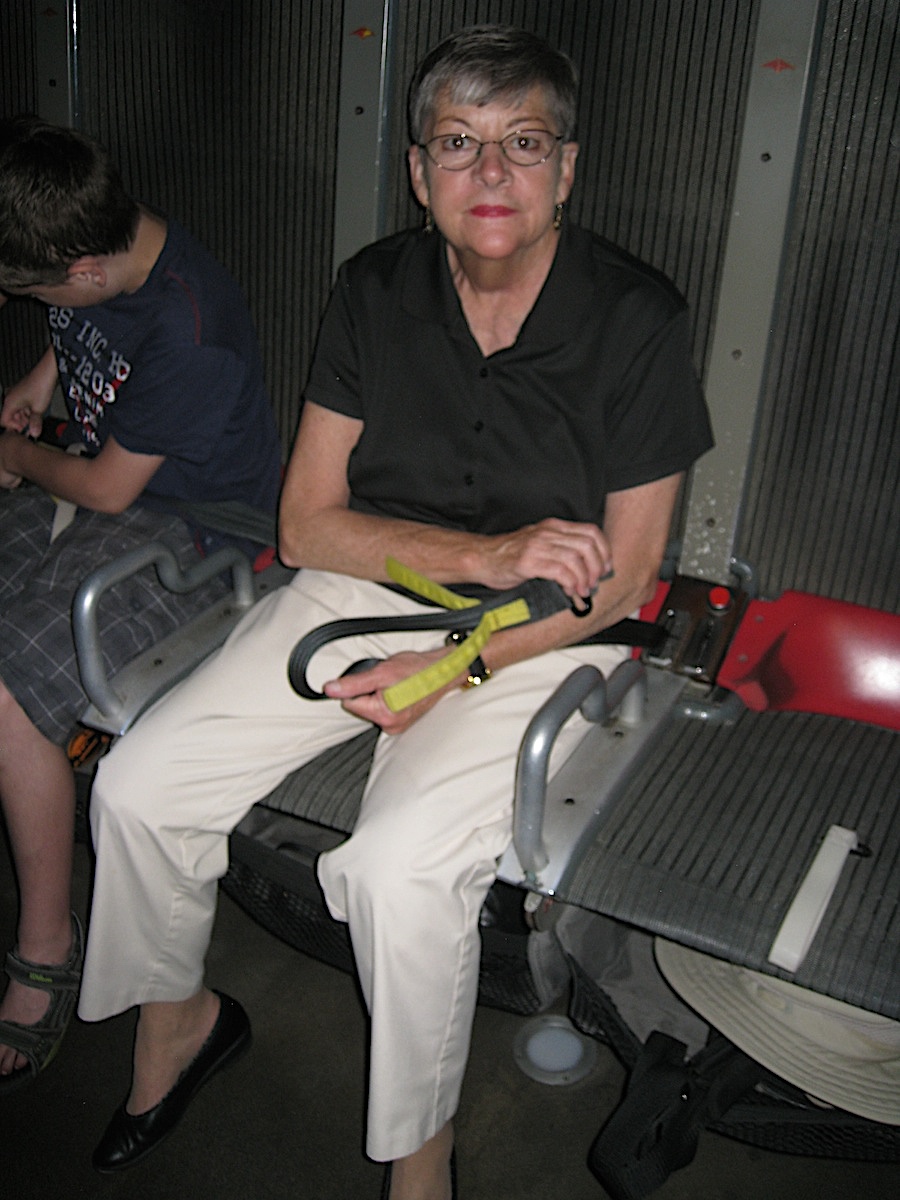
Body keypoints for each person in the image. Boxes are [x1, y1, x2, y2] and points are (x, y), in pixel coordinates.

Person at [77, 25, 713, 1199]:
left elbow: (624, 578)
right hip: (371, 587)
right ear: (419, 172)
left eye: (525, 143)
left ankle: (420, 1160)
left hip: (537, 634)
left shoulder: (638, 318)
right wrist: (480, 552)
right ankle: (181, 1021)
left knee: (395, 871)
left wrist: (453, 667)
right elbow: (308, 524)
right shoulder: (375, 288)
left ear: (567, 169)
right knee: (137, 786)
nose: (492, 173)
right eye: (459, 144)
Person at [0, 117, 281, 1089]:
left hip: (194, 527)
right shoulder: (107, 236)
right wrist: (39, 383)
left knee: (10, 687)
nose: (31, 305)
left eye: (35, 291)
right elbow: (79, 328)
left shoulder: (190, 329)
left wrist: (12, 451)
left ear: (83, 265)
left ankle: (45, 941)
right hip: (105, 475)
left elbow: (109, 492)